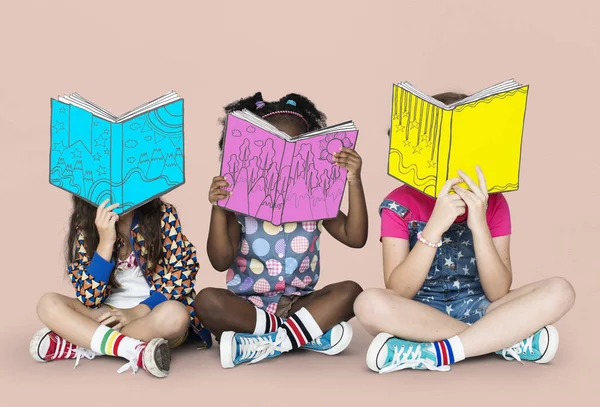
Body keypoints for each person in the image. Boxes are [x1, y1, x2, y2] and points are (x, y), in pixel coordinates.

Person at [354, 92, 576, 373]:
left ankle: (438, 352)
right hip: (421, 314)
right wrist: (434, 227)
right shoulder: (398, 204)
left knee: (560, 291)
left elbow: (498, 292)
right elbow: (399, 290)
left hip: (481, 308)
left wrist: (479, 224)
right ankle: (500, 340)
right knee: (368, 304)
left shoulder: (494, 202)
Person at [195, 92, 367, 368]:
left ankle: (267, 344)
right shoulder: (240, 202)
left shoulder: (317, 198)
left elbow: (356, 237)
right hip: (247, 309)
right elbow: (219, 261)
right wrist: (218, 207)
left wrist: (354, 181)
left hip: (299, 304)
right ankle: (305, 335)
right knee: (207, 301)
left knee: (352, 292)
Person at [30, 197, 211, 378]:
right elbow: (89, 296)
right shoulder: (85, 222)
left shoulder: (163, 214)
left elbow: (183, 270)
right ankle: (132, 349)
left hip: (151, 315)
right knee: (47, 304)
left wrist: (136, 312)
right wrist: (105, 241)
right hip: (105, 314)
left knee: (177, 316)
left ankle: (84, 340)